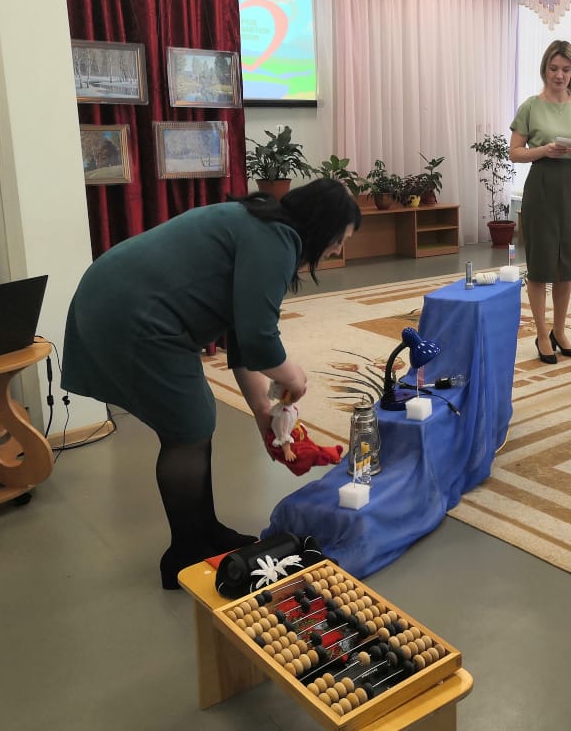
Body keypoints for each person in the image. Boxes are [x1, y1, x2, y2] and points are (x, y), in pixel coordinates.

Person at [62, 178, 362, 589]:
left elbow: (241, 334)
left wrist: (263, 411)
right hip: (131, 313)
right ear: (322, 226)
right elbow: (259, 340)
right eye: (339, 240)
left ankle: (204, 532)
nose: (337, 250)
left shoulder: (260, 223)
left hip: (115, 299)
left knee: (194, 421)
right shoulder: (277, 239)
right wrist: (294, 376)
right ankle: (183, 554)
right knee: (187, 428)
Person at [509, 40, 571, 364]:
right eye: (553, 68)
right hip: (542, 184)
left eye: (565, 69)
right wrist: (544, 150)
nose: (559, 75)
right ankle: (541, 333)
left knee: (566, 264)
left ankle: (559, 331)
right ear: (544, 70)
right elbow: (514, 152)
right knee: (540, 264)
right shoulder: (530, 107)